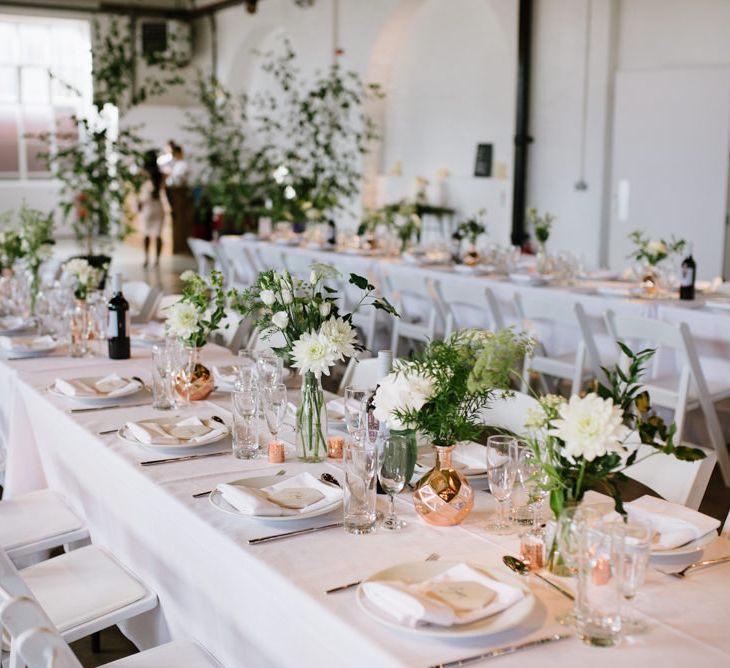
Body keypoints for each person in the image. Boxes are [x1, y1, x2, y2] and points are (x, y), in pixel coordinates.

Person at [139, 150, 166, 268]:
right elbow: (166, 192)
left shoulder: (143, 174)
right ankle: (157, 261)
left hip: (147, 207)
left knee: (146, 234)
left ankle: (146, 258)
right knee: (158, 235)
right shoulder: (161, 175)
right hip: (159, 206)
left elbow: (140, 193)